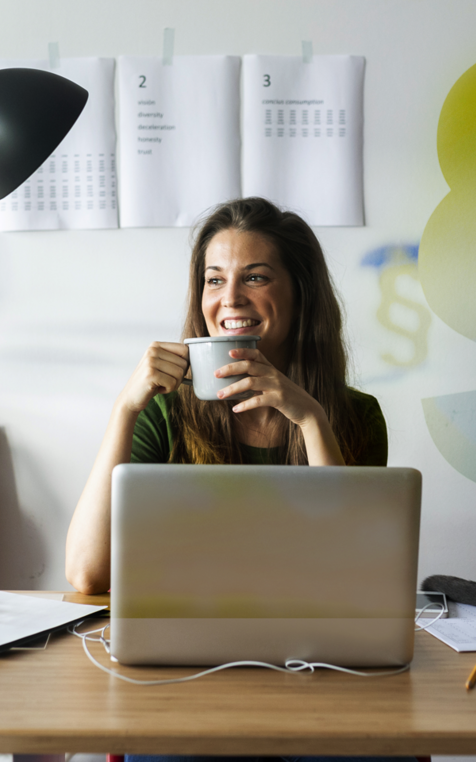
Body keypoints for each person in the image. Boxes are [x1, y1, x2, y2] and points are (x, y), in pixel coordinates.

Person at [66, 195, 387, 596]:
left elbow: (351, 572)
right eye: (214, 279)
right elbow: (88, 574)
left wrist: (311, 420)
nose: (230, 298)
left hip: (304, 648)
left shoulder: (357, 415)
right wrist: (125, 409)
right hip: (183, 639)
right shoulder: (162, 412)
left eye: (255, 277)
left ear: (301, 293)